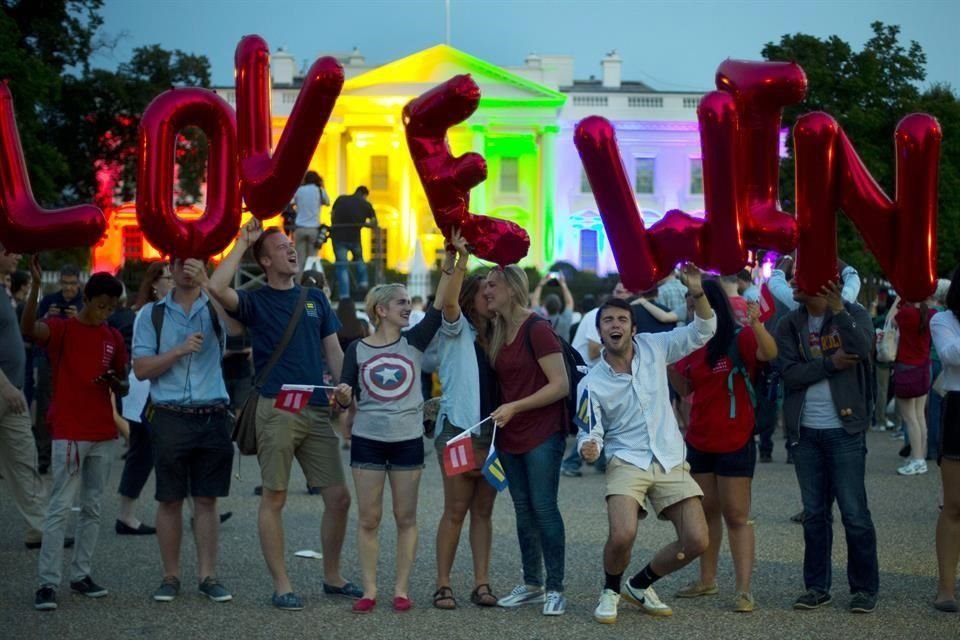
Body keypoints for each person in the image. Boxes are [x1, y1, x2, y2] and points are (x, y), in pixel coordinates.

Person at [208, 220, 358, 611]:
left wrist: (346, 390)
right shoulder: (254, 300)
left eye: (291, 245)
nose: (291, 250)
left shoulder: (315, 298)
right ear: (264, 261)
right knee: (274, 497)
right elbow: (216, 286)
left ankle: (333, 576)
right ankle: (282, 585)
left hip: (317, 408)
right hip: (276, 408)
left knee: (339, 498)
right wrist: (242, 242)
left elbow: (334, 352)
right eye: (280, 247)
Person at [575, 266, 714, 625]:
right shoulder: (590, 382)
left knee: (697, 541)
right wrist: (589, 446)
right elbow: (589, 431)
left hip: (669, 456)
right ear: (600, 330)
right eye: (608, 320)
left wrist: (697, 292)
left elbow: (704, 329)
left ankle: (639, 585)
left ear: (634, 328)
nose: (615, 325)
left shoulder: (655, 346)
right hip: (627, 459)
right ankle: (610, 590)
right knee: (623, 534)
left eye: (622, 319)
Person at [335, 235, 467, 614]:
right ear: (380, 310)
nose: (409, 308)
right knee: (369, 518)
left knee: (405, 518)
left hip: (407, 440)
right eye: (401, 303)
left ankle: (401, 589)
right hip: (367, 440)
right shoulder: (357, 349)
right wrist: (342, 396)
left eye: (409, 302)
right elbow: (345, 395)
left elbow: (440, 306)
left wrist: (453, 262)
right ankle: (370, 590)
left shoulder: (415, 341)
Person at [22, 260, 127, 611]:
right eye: (101, 306)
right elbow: (28, 329)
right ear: (87, 298)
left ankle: (81, 574)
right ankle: (47, 582)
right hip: (69, 431)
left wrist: (117, 383)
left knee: (93, 507)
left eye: (111, 308)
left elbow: (123, 381)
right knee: (60, 508)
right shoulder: (63, 329)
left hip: (102, 431)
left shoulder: (112, 337)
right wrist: (36, 288)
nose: (106, 313)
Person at [670, 280, 778, 612]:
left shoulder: (739, 337)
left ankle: (744, 590)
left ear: (714, 304)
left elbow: (769, 354)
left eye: (697, 302)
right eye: (689, 303)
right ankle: (707, 580)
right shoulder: (690, 342)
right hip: (699, 439)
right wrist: (666, 362)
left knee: (736, 515)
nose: (692, 308)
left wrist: (757, 324)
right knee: (706, 512)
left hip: (735, 439)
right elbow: (685, 387)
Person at [132, 259, 235, 604]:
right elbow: (141, 369)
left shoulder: (215, 304)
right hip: (170, 415)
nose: (185, 269)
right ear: (171, 268)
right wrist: (177, 350)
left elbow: (238, 329)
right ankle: (171, 576)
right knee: (169, 498)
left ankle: (208, 576)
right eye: (179, 263)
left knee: (207, 499)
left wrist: (210, 286)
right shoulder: (152, 314)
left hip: (212, 414)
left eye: (193, 263)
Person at [775, 277, 879, 613]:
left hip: (845, 430)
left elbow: (862, 348)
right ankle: (817, 587)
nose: (793, 283)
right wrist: (830, 364)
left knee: (854, 513)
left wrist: (839, 311)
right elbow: (789, 373)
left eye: (801, 277)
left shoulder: (853, 313)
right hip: (805, 432)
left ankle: (864, 589)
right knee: (815, 515)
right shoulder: (789, 323)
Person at [482, 265, 569, 616]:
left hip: (543, 431)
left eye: (493, 284)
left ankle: (556, 587)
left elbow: (560, 385)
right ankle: (533, 584)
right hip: (510, 433)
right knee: (523, 510)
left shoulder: (538, 328)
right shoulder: (497, 329)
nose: (486, 290)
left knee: (544, 508)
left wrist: (515, 407)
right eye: (485, 285)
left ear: (512, 288)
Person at [432, 272, 499, 610]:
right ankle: (443, 584)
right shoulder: (455, 329)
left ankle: (481, 583)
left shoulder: (502, 333)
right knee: (456, 510)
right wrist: (459, 260)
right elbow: (448, 301)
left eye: (494, 289)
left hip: (494, 434)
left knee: (484, 512)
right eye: (485, 290)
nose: (491, 295)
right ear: (470, 296)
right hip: (459, 431)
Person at [0, 242, 49, 551]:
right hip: (5, 388)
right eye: (10, 250)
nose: (17, 255)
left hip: (13, 392)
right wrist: (4, 385)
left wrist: (37, 286)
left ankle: (40, 528)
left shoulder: (4, 290)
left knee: (25, 459)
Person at [33, 263, 84, 474]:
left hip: (75, 360)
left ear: (79, 283)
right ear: (59, 282)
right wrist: (47, 317)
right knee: (45, 408)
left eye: (72, 284)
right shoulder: (49, 301)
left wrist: (78, 318)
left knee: (74, 407)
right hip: (49, 358)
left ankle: (74, 455)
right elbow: (32, 327)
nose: (68, 288)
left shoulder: (85, 303)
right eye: (65, 283)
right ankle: (44, 457)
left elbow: (96, 330)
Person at [930, 269, 960, 612]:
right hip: (957, 410)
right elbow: (951, 355)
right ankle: (946, 588)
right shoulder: (943, 320)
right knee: (954, 504)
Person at [890, 294, 937, 475]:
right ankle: (920, 456)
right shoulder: (931, 314)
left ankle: (917, 460)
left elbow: (890, 321)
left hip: (907, 368)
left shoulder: (906, 314)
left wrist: (898, 298)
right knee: (919, 416)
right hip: (924, 367)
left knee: (909, 418)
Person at [330, 186, 377, 300]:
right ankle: (363, 284)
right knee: (359, 260)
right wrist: (362, 224)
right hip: (354, 238)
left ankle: (344, 296)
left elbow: (332, 214)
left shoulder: (341, 199)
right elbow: (374, 223)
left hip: (338, 236)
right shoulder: (366, 204)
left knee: (342, 266)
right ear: (365, 195)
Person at [292, 171, 331, 273]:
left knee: (299, 260)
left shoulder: (299, 190)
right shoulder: (319, 190)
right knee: (312, 260)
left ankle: (299, 281)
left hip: (300, 228)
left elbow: (291, 202)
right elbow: (327, 202)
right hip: (314, 229)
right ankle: (311, 280)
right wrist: (322, 186)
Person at [531, 272, 574, 341]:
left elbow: (534, 301)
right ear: (560, 306)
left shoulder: (538, 320)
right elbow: (569, 302)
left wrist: (540, 284)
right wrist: (563, 285)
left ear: (545, 306)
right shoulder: (565, 321)